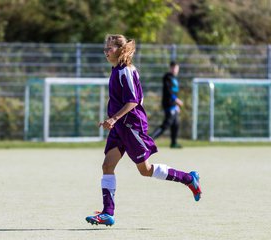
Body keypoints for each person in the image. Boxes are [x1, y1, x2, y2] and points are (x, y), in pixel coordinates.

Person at [85, 34, 202, 227]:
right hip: (120, 126)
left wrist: (114, 118)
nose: (106, 52)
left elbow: (133, 101)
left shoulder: (126, 71)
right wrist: (114, 120)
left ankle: (188, 178)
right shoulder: (116, 70)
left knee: (145, 170)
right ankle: (108, 213)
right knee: (107, 166)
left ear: (120, 50)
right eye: (105, 48)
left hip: (131, 126)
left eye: (110, 48)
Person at [150, 61, 183, 148]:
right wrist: (176, 100)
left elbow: (175, 92)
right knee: (166, 124)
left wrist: (176, 105)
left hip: (174, 105)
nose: (175, 70)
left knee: (176, 123)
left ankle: (173, 143)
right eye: (173, 68)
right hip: (168, 104)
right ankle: (150, 140)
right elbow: (169, 91)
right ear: (170, 68)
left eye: (176, 68)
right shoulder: (167, 77)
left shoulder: (175, 79)